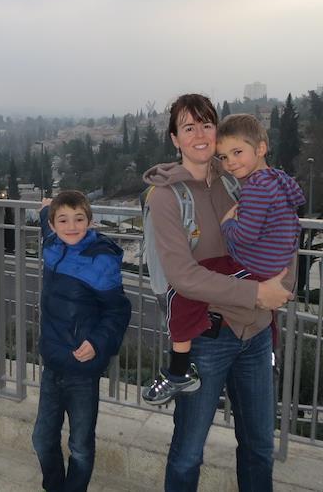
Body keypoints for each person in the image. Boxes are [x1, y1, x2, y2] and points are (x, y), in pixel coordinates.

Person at [142, 94, 295, 492]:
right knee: (188, 452)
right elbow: (183, 277)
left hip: (255, 335)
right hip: (207, 340)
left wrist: (282, 284)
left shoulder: (236, 179)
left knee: (259, 447)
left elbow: (278, 230)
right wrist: (256, 293)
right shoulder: (165, 197)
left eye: (207, 124)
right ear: (175, 139)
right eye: (188, 127)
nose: (200, 134)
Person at [31, 190, 132, 492]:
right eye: (63, 220)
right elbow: (47, 221)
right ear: (54, 224)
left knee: (80, 445)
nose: (72, 226)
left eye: (79, 219)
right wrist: (45, 208)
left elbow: (118, 310)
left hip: (82, 369)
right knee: (42, 438)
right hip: (53, 363)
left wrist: (98, 343)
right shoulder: (52, 243)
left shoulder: (100, 260)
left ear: (90, 221)